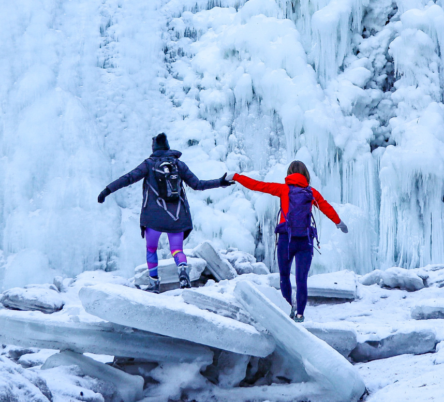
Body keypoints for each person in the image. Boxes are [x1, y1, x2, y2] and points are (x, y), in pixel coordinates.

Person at [98, 133, 232, 292]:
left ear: (154, 148)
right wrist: (220, 182)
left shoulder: (148, 164)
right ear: (167, 147)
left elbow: (128, 178)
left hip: (153, 217)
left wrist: (107, 190)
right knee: (176, 249)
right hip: (176, 216)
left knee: (151, 249)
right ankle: (183, 271)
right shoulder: (178, 164)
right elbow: (198, 184)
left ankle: (154, 284)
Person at [226, 160, 348, 322]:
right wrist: (339, 222)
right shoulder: (311, 193)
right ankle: (300, 314)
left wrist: (235, 176)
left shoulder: (283, 189)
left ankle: (288, 309)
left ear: (289, 174)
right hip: (305, 240)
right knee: (301, 279)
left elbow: (257, 185)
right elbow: (326, 207)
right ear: (306, 175)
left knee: (284, 276)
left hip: (286, 239)